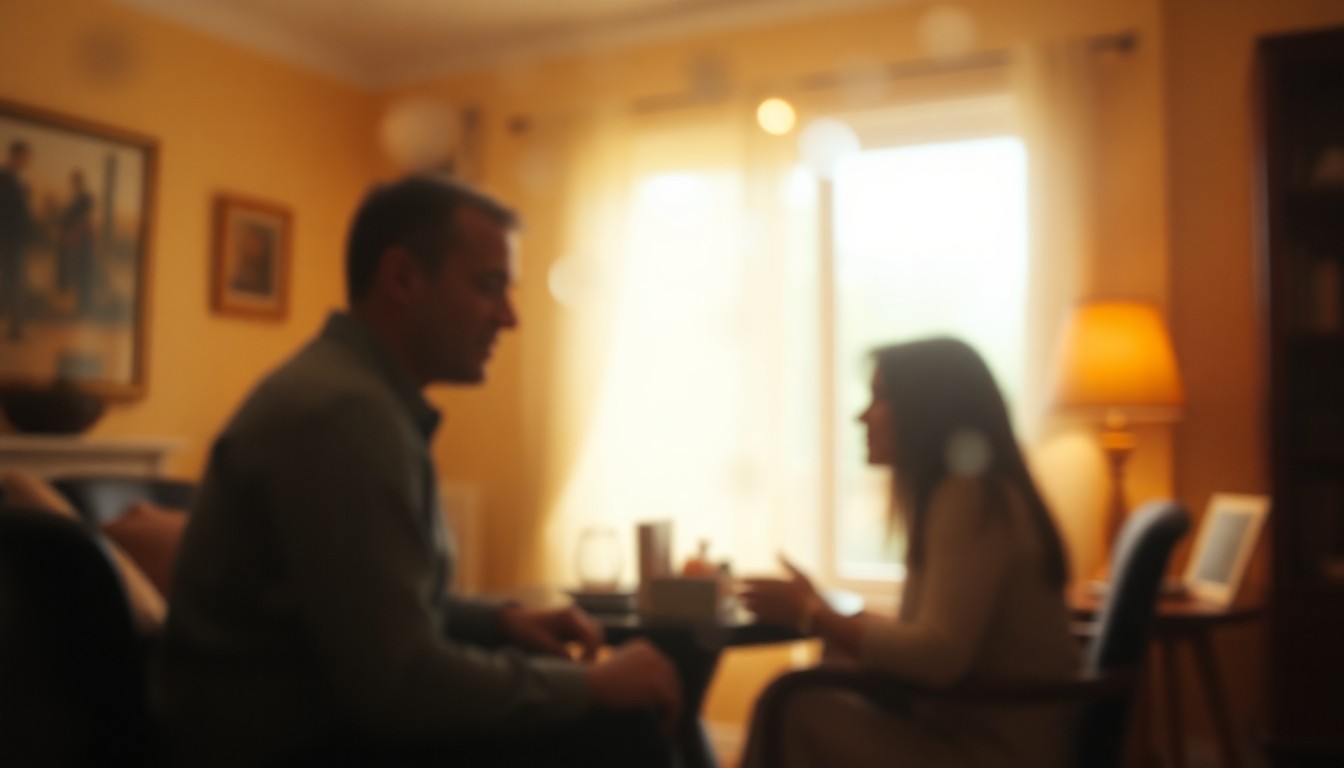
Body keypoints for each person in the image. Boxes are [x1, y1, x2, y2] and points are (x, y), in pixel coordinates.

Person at [155, 176, 682, 767]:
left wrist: (501, 622)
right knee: (623, 722)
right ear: (403, 278)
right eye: (488, 286)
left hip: (314, 726)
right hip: (292, 746)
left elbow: (363, 611)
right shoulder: (343, 417)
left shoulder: (348, 395)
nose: (509, 317)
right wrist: (590, 685)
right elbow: (403, 686)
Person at [738, 337, 1080, 768]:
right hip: (982, 736)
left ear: (928, 409)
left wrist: (813, 616)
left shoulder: (969, 496)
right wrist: (823, 609)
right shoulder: (978, 491)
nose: (861, 416)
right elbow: (933, 637)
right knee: (815, 683)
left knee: (790, 704)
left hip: (992, 754)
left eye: (880, 398)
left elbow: (938, 657)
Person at [0, 140, 33, 340]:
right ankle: (16, 329)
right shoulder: (5, 178)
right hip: (9, 240)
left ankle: (16, 328)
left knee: (14, 283)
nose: (27, 160)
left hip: (15, 240)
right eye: (25, 156)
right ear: (17, 155)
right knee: (14, 283)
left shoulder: (15, 180)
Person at [57, 169, 96, 315]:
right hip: (75, 242)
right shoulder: (75, 200)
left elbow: (84, 220)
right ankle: (79, 307)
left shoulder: (84, 199)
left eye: (76, 181)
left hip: (81, 242)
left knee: (82, 275)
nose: (74, 185)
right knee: (76, 275)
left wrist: (74, 234)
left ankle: (84, 307)